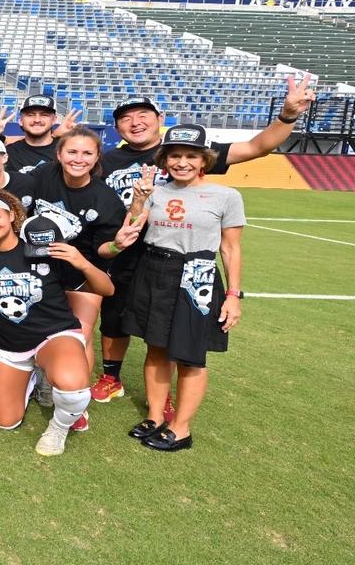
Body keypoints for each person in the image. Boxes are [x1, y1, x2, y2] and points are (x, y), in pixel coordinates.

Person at [92, 80, 310, 404]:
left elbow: (257, 146)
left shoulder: (187, 148)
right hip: (125, 252)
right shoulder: (106, 160)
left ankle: (162, 395)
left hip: (175, 258)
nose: (135, 122)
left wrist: (288, 116)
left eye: (143, 114)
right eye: (126, 117)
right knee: (114, 317)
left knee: (168, 332)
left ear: (159, 117)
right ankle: (112, 376)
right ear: (116, 126)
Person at [0, 191, 117, 457]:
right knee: (4, 421)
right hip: (10, 346)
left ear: (11, 216)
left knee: (72, 383)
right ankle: (33, 377)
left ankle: (59, 426)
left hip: (54, 335)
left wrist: (82, 262)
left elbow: (107, 289)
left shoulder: (41, 246)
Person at [120, 125, 246, 453]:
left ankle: (181, 428)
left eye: (191, 155)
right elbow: (132, 230)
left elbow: (231, 249)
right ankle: (154, 416)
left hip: (198, 274)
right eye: (175, 155)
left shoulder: (226, 196)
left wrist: (233, 296)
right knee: (156, 348)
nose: (182, 162)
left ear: (204, 158)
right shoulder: (155, 191)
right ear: (164, 159)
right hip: (155, 268)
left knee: (191, 356)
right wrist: (139, 200)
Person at [30, 126, 134, 415]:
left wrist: (116, 245)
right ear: (59, 154)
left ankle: (76, 401)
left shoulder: (105, 198)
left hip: (82, 273)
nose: (79, 158)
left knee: (80, 335)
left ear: (97, 156)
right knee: (38, 330)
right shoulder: (41, 177)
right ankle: (43, 380)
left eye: (87, 153)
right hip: (40, 268)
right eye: (72, 151)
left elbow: (103, 250)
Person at [0, 94, 72, 175]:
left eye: (44, 115)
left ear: (54, 120)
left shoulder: (66, 151)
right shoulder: (7, 153)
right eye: (30, 115)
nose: (37, 120)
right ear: (20, 121)